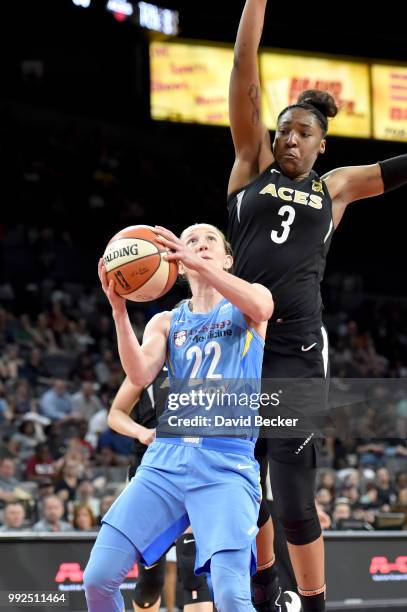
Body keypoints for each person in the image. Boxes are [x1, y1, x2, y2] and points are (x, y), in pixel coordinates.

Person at [227, 2, 407, 611]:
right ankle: (262, 583)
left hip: (295, 353)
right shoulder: (250, 164)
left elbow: (397, 169)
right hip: (237, 348)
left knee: (295, 497)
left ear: (322, 144)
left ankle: (315, 600)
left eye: (303, 133)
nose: (290, 138)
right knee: (242, 488)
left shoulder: (333, 190)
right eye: (284, 129)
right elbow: (244, 70)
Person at [84, 223, 274, 612]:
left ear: (227, 259)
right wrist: (120, 311)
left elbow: (263, 308)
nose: (200, 245)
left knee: (233, 597)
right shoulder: (166, 322)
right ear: (178, 264)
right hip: (166, 459)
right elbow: (139, 375)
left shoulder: (247, 302)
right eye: (190, 241)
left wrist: (205, 269)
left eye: (210, 241)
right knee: (98, 579)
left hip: (226, 462)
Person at [108, 369, 212, 611]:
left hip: (194, 472)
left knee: (193, 570)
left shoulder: (207, 364)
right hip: (149, 473)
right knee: (150, 581)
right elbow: (115, 414)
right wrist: (140, 432)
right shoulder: (146, 368)